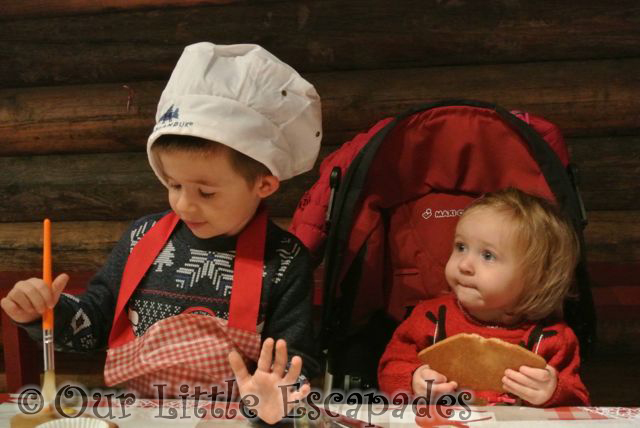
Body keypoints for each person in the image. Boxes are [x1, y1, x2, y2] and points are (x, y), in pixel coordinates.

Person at [1, 42, 323, 424]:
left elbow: (295, 364)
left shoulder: (285, 261)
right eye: (173, 185)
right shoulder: (143, 238)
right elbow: (91, 328)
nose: (184, 205)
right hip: (137, 417)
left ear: (264, 185)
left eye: (205, 192)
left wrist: (276, 398)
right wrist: (44, 313)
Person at [378, 187, 590, 407]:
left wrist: (553, 392)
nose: (464, 264)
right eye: (461, 247)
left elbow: (578, 401)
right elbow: (389, 371)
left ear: (538, 277)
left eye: (488, 255)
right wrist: (413, 381)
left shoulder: (552, 339)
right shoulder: (429, 319)